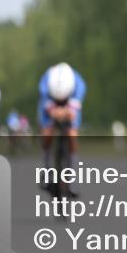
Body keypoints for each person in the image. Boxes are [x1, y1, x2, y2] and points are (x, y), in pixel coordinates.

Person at [38, 62, 87, 195]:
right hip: (49, 102)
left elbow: (76, 103)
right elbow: (44, 101)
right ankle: (46, 169)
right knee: (47, 133)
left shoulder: (78, 84)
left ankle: (73, 179)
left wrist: (70, 111)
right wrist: (52, 110)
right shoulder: (46, 82)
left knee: (72, 135)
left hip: (70, 102)